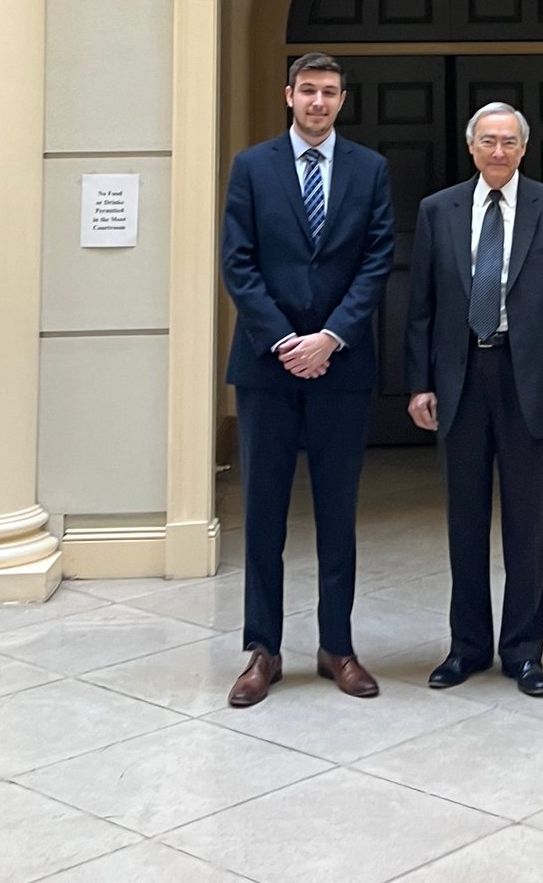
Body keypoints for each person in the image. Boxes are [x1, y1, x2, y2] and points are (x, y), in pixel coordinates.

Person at [221, 51, 394, 706]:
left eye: (330, 92)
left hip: (341, 368)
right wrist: (286, 340)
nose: (318, 102)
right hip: (267, 369)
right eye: (308, 90)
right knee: (263, 514)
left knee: (337, 516)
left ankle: (337, 648)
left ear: (342, 100)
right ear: (287, 94)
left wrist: (329, 338)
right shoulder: (252, 167)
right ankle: (262, 651)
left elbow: (377, 261)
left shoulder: (370, 170)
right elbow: (238, 263)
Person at [405, 102, 543, 698]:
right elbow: (421, 309)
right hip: (461, 376)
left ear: (523, 147)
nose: (497, 151)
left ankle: (524, 649)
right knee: (465, 518)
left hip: (528, 379)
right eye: (487, 140)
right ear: (470, 147)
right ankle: (466, 647)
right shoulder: (438, 211)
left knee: (529, 522)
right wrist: (419, 382)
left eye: (508, 141)